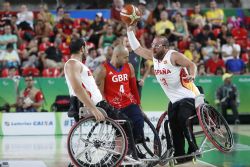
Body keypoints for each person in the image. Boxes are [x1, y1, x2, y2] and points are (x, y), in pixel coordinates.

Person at [127, 26, 204, 163]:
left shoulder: (173, 56)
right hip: (174, 101)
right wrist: (129, 31)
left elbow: (192, 64)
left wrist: (192, 75)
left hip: (190, 96)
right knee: (173, 126)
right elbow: (137, 49)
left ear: (165, 47)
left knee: (182, 118)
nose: (153, 48)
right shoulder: (154, 56)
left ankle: (193, 148)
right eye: (152, 45)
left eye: (156, 45)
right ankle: (180, 156)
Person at [95, 45, 144, 143]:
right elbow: (100, 92)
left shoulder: (129, 67)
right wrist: (107, 107)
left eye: (128, 57)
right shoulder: (103, 70)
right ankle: (121, 152)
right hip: (113, 106)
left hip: (129, 103)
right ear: (117, 56)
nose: (127, 59)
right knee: (125, 126)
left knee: (139, 122)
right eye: (125, 57)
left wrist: (139, 104)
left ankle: (132, 148)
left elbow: (134, 88)